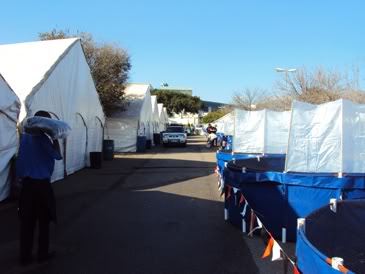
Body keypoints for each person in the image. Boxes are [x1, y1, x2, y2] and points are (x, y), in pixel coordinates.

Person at [16, 111, 62, 266]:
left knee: (27, 223)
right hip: (42, 186)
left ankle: (25, 256)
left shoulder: (24, 138)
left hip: (27, 186)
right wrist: (55, 138)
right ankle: (42, 254)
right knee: (44, 221)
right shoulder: (44, 141)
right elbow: (57, 156)